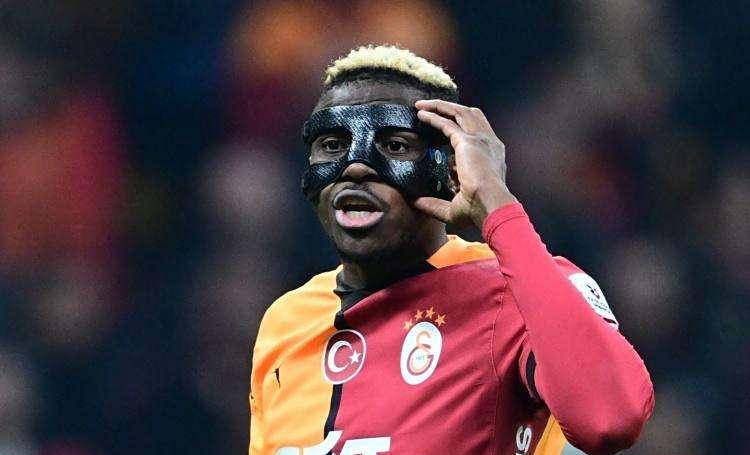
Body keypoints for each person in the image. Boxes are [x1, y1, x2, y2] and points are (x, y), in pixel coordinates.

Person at [249, 45, 654, 455]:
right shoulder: (285, 323)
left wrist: (495, 204)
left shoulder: (520, 292)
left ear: (452, 170)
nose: (355, 166)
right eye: (333, 144)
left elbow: (610, 419)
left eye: (396, 146)